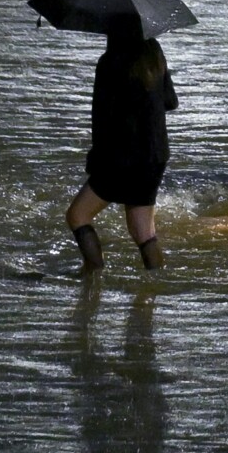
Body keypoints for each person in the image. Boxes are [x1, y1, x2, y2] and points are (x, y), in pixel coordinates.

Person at [66, 26, 178, 271]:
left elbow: (101, 119)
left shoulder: (109, 62)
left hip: (122, 158)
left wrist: (95, 162)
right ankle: (154, 291)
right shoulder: (154, 52)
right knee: (143, 232)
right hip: (155, 156)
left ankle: (91, 277)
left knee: (78, 216)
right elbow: (170, 101)